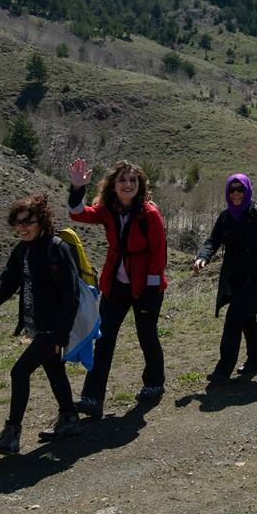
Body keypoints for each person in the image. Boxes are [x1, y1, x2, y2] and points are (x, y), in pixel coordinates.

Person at [0, 192, 82, 455]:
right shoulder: (22, 251)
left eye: (27, 221)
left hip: (51, 329)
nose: (22, 227)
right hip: (38, 327)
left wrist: (60, 335)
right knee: (54, 370)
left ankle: (11, 435)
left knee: (19, 373)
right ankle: (70, 418)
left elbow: (71, 294)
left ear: (41, 221)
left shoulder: (57, 248)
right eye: (17, 223)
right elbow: (5, 283)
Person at [67, 158, 167, 418]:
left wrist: (150, 289)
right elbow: (77, 213)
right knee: (104, 338)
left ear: (140, 185)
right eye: (122, 179)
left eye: (133, 180)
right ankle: (92, 398)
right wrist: (78, 188)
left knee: (147, 335)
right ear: (113, 185)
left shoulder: (150, 214)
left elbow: (159, 255)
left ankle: (154, 383)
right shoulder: (107, 209)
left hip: (145, 285)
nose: (128, 184)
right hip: (115, 284)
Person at [194, 174, 257, 380]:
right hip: (234, 278)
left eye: (240, 189)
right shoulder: (225, 217)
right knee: (247, 320)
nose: (235, 194)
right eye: (232, 190)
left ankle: (223, 370)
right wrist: (202, 257)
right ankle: (256, 360)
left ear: (247, 190)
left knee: (233, 319)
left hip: (256, 278)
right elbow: (213, 240)